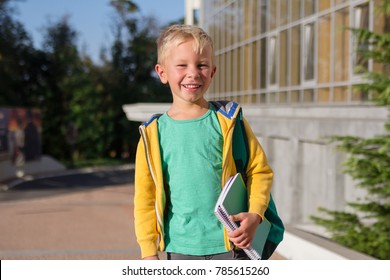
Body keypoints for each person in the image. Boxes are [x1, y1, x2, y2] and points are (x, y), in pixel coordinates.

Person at [134, 24, 273, 260]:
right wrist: (148, 253)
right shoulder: (153, 134)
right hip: (178, 247)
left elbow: (259, 171)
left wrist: (255, 215)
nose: (193, 73)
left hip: (232, 246)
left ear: (213, 71)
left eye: (202, 65)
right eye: (182, 65)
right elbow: (145, 198)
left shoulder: (229, 121)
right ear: (162, 73)